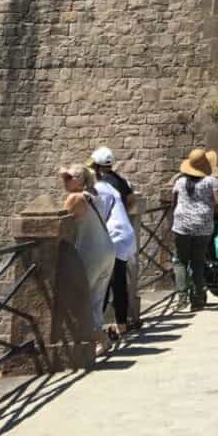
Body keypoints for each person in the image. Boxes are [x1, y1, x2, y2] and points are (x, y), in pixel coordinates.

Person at [59, 163, 117, 354]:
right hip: (106, 249)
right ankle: (100, 340)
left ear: (81, 180)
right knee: (96, 299)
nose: (64, 181)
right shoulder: (94, 194)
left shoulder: (75, 198)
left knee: (80, 299)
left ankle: (97, 337)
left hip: (90, 252)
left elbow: (59, 223)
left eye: (69, 177)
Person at [91, 145, 140, 331]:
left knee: (106, 281)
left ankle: (99, 326)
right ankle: (121, 322)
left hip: (114, 237)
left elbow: (100, 214)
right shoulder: (121, 180)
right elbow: (131, 200)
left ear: (96, 167)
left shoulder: (102, 186)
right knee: (118, 281)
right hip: (125, 233)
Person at [171, 148, 217, 310]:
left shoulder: (180, 182)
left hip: (182, 226)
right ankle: (198, 299)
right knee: (198, 262)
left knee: (180, 261)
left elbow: (174, 202)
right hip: (203, 227)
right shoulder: (210, 181)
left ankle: (182, 298)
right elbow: (217, 202)